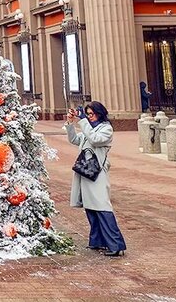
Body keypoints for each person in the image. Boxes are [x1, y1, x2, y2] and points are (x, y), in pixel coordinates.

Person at [65, 101, 127, 257]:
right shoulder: (89, 128)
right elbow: (74, 140)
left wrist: (83, 121)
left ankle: (116, 245)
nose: (89, 117)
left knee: (102, 206)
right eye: (88, 114)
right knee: (91, 207)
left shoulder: (106, 129)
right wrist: (70, 123)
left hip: (97, 172)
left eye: (91, 114)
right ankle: (97, 241)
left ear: (99, 113)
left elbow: (94, 139)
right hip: (86, 171)